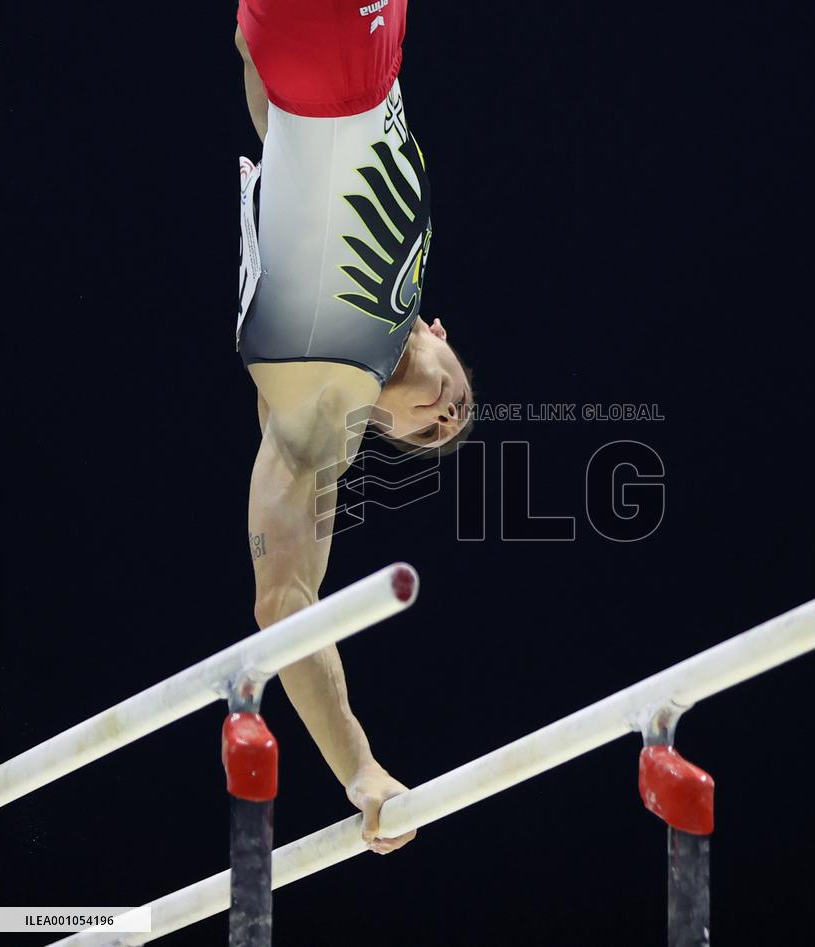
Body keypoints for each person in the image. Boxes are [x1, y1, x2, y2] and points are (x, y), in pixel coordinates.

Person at [234, 0, 473, 856]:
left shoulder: (318, 418)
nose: (441, 420)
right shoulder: (410, 273)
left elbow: (286, 605)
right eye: (458, 410)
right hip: (370, 58)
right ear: (440, 331)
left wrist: (360, 767)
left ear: (376, 427)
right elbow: (277, 147)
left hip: (314, 55)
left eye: (424, 435)